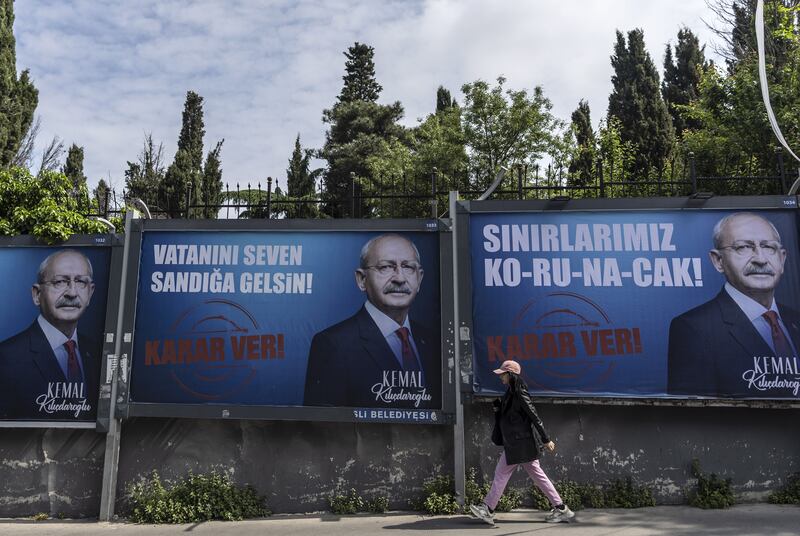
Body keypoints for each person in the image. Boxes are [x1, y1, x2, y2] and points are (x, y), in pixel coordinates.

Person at [667, 212, 800, 397]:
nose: (760, 259)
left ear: (782, 258)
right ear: (718, 261)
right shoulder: (693, 329)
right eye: (744, 247)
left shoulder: (795, 319)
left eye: (769, 247)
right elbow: (693, 417)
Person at [304, 233, 440, 408]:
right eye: (385, 267)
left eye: (408, 267)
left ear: (419, 278)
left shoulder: (433, 342)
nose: (399, 278)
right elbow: (324, 426)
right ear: (362, 280)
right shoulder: (333, 345)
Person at [470, 360, 574, 525]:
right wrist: (499, 409)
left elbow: (534, 416)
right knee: (537, 476)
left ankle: (487, 509)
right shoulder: (511, 393)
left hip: (520, 444)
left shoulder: (519, 393)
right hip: (519, 444)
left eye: (502, 374)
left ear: (510, 374)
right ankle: (561, 508)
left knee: (501, 474)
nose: (500, 377)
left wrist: (546, 439)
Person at [0, 249, 100, 420]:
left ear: (90, 292)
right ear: (37, 294)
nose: (72, 293)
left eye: (80, 282)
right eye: (60, 282)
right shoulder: (6, 358)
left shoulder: (98, 353)